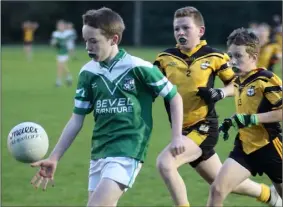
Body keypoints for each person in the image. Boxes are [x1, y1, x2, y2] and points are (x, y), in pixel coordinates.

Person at [30, 7, 184, 207]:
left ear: (114, 39)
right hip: (99, 152)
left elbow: (174, 97)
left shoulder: (139, 68)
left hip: (128, 151)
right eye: (86, 41)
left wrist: (176, 136)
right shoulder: (88, 73)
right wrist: (54, 157)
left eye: (94, 41)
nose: (88, 47)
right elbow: (76, 119)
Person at [153, 6, 281, 207]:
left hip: (203, 128)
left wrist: (219, 93)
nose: (180, 33)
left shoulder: (215, 57)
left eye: (186, 28)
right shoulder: (164, 58)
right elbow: (149, 86)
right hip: (193, 132)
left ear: (200, 31)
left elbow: (234, 84)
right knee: (219, 185)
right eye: (177, 29)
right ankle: (269, 195)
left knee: (165, 163)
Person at [207, 27, 282, 207]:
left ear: (253, 57)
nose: (233, 61)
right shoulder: (240, 81)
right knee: (217, 189)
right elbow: (247, 111)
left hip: (270, 147)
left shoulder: (267, 79)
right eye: (230, 56)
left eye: (238, 56)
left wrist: (252, 119)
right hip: (245, 147)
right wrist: (232, 120)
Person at [51, 20, 73, 87]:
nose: (61, 27)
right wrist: (54, 44)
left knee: (60, 66)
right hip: (59, 52)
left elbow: (69, 43)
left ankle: (58, 81)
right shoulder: (55, 34)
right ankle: (68, 77)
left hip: (65, 53)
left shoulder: (68, 33)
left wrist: (70, 51)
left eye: (62, 26)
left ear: (64, 26)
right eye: (59, 26)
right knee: (61, 67)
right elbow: (53, 43)